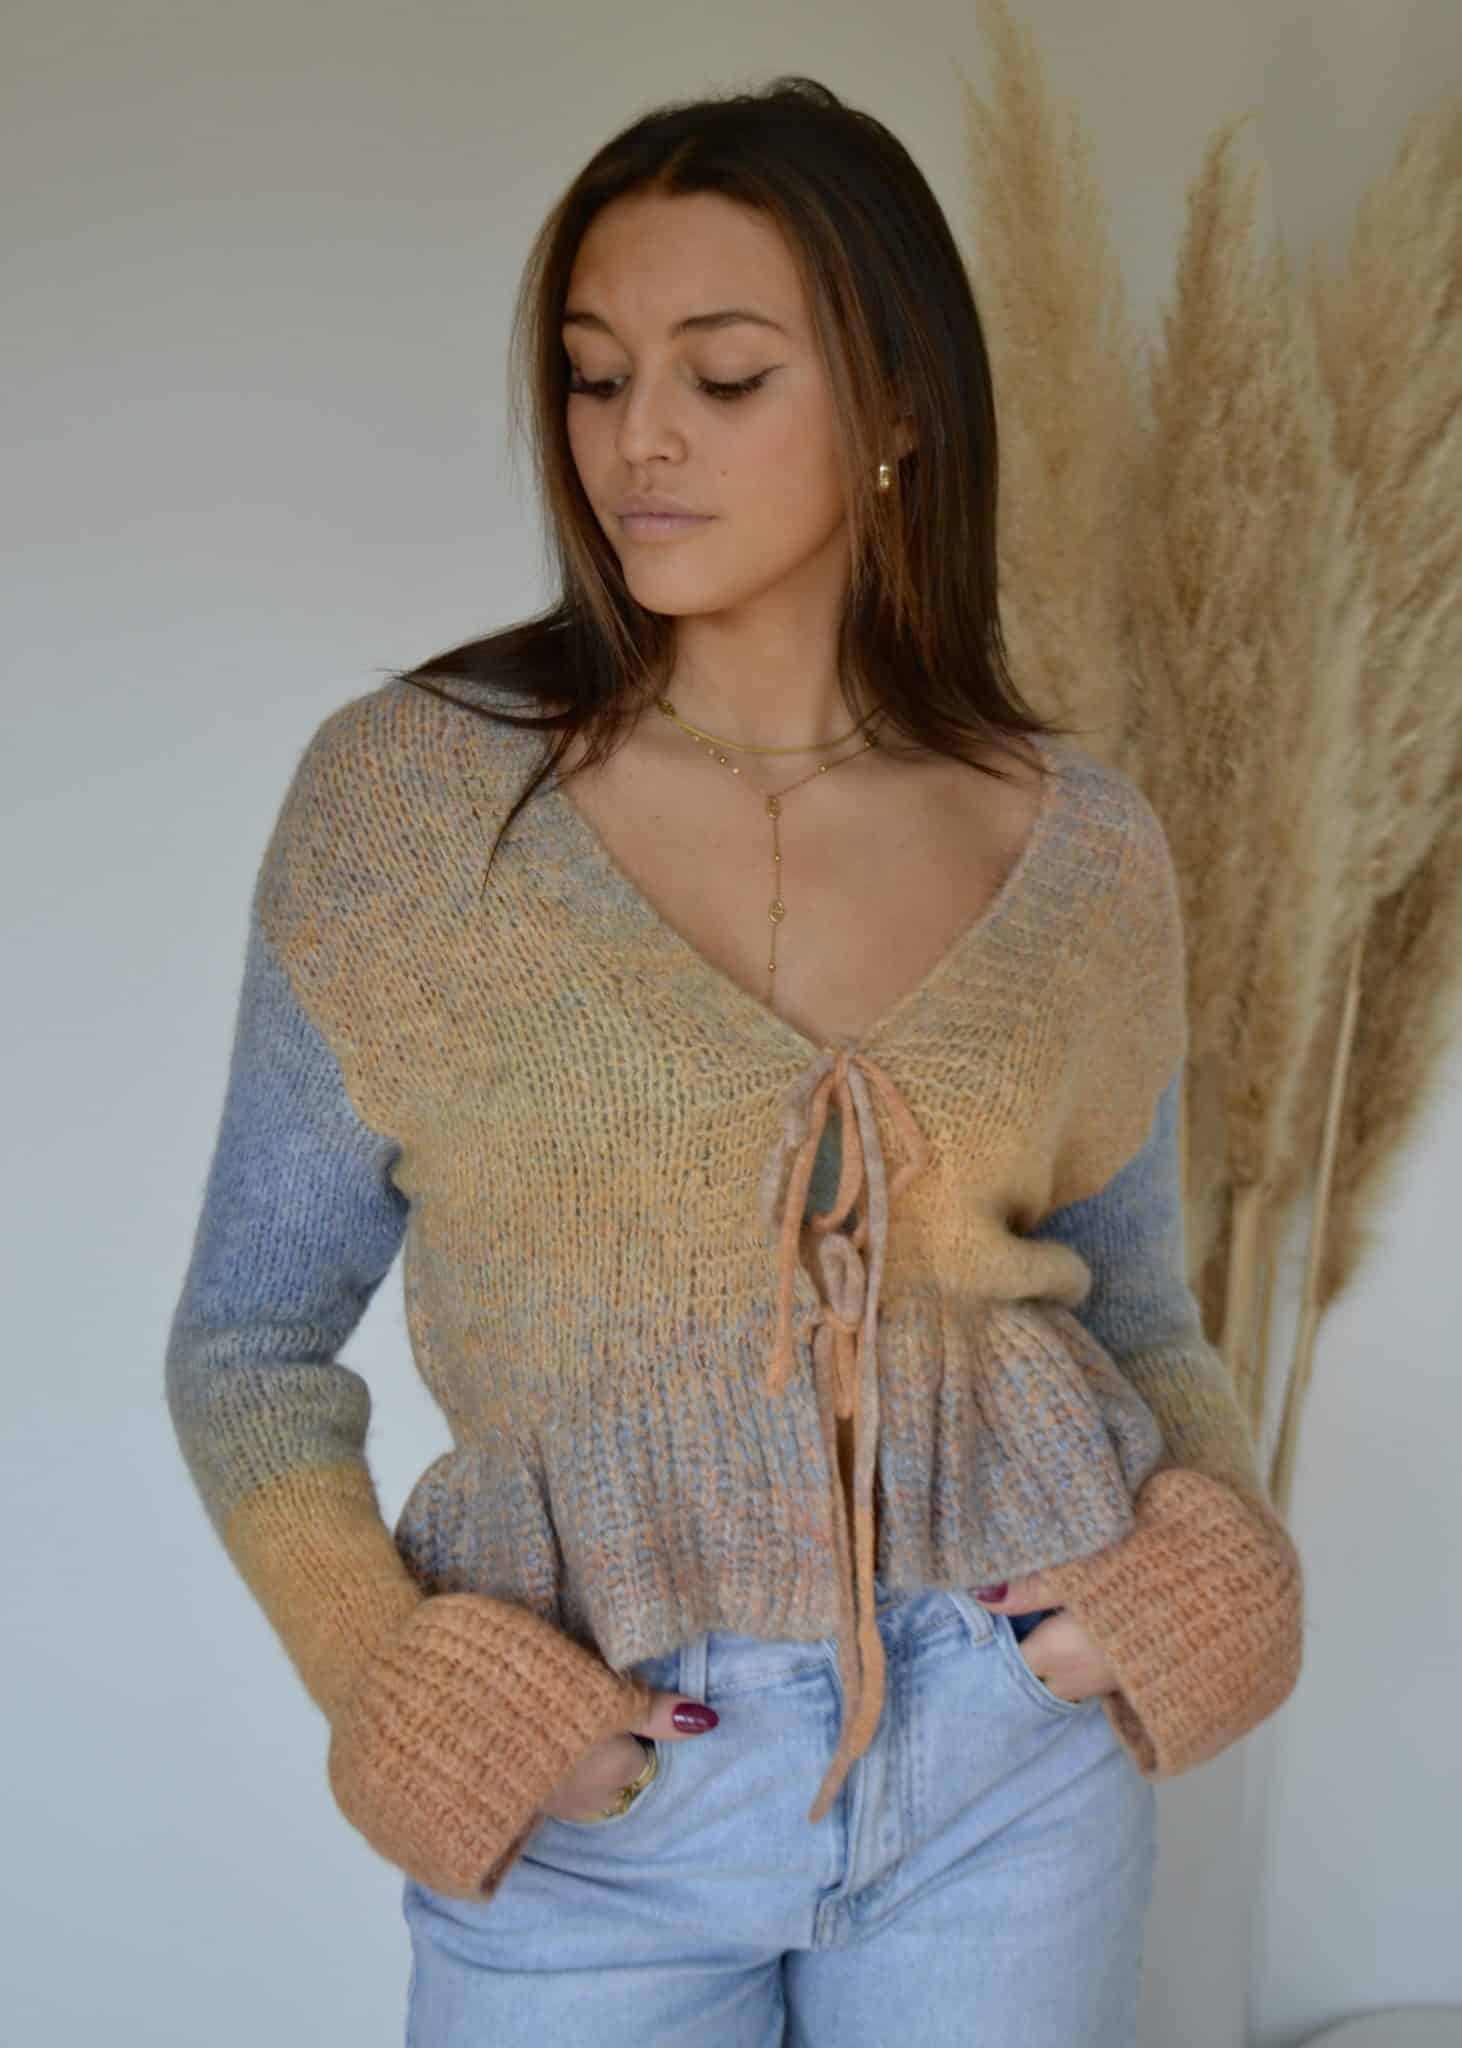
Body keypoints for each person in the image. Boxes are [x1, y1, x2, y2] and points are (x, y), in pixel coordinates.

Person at [163, 75, 1304, 2047]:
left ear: (897, 407)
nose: (639, 439)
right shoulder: (413, 807)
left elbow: (1135, 1309)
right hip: (599, 1790)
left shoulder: (1083, 848)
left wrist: (1205, 1558)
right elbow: (247, 1346)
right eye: (595, 376)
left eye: (724, 374)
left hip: (1008, 1766)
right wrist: (410, 1682)